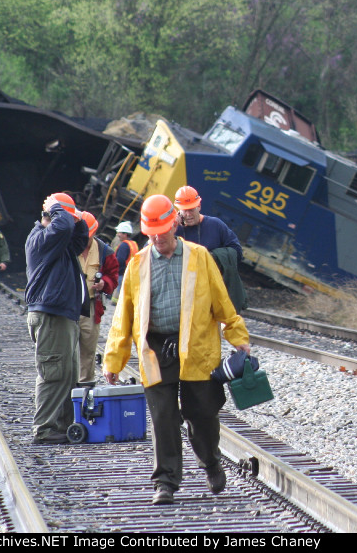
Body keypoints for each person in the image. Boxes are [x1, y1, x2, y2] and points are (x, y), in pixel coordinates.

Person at [103, 194, 251, 505]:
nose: (157, 238)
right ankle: (165, 482)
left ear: (174, 225)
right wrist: (113, 360)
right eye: (151, 233)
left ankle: (210, 461)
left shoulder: (199, 257)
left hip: (196, 348)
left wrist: (238, 337)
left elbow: (222, 302)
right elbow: (124, 317)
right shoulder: (137, 265)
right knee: (163, 418)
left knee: (202, 414)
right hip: (156, 351)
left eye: (162, 231)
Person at [24, 193, 89, 445]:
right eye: (64, 217)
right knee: (53, 372)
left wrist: (79, 218)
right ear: (50, 216)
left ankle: (64, 425)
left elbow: (79, 240)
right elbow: (62, 226)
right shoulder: (40, 239)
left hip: (62, 315)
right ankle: (44, 428)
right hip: (50, 315)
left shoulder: (58, 245)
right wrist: (59, 209)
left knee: (67, 373)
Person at [174, 185, 246, 311]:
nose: (188, 214)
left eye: (191, 209)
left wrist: (213, 257)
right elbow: (152, 248)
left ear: (199, 206)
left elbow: (237, 251)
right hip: (181, 293)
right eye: (184, 210)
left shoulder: (215, 225)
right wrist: (172, 225)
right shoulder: (174, 229)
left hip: (212, 292)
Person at [77, 212, 118, 384]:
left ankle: (85, 386)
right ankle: (66, 387)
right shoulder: (66, 247)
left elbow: (113, 275)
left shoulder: (104, 251)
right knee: (65, 350)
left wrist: (104, 284)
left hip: (92, 306)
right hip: (68, 306)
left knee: (88, 349)